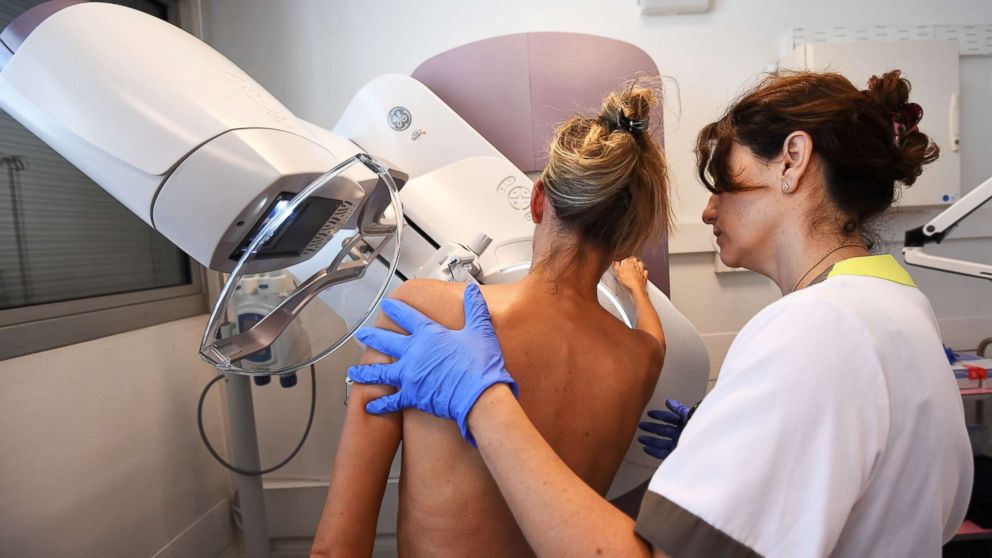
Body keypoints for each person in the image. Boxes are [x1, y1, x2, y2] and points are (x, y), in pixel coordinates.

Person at [348, 70, 974, 557]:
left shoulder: (818, 329)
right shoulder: (905, 312)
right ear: (630, 235)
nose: (709, 211)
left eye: (722, 181)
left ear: (793, 159)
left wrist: (484, 398)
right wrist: (729, 453)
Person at [311, 83, 674, 557]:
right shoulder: (641, 360)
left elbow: (337, 549)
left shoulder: (420, 310)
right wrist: (637, 289)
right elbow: (653, 338)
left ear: (538, 200)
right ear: (627, 241)